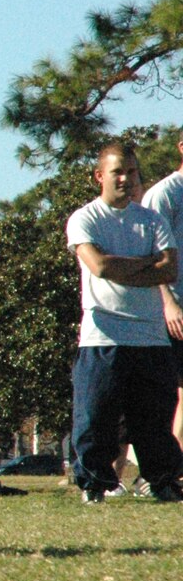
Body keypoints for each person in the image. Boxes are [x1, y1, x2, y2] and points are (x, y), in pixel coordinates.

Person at [66, 143, 183, 504]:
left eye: (132, 172)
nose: (126, 179)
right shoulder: (85, 218)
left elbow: (170, 268)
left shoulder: (151, 220)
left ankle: (161, 481)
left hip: (150, 337)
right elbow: (99, 267)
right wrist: (145, 264)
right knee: (96, 418)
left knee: (154, 421)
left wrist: (123, 267)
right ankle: (94, 485)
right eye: (118, 172)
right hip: (103, 335)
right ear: (100, 176)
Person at [140, 132, 183, 454]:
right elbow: (152, 255)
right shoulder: (165, 194)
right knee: (171, 393)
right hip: (172, 309)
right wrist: (168, 303)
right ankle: (169, 467)